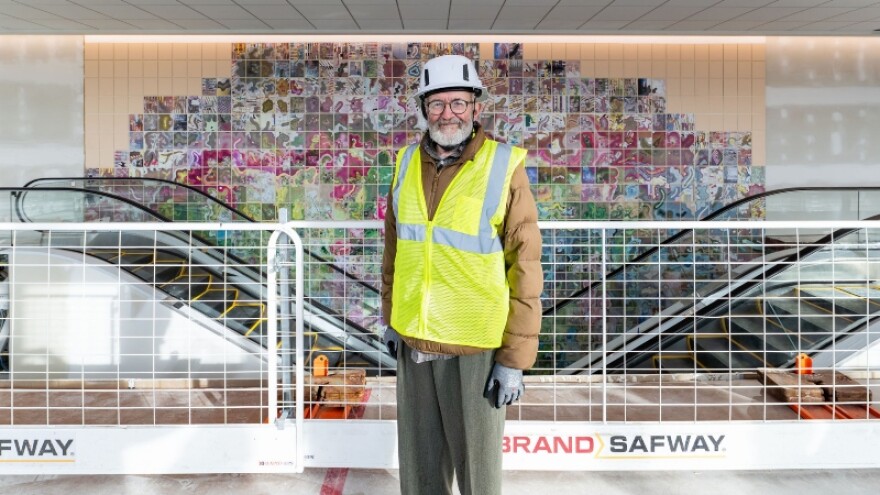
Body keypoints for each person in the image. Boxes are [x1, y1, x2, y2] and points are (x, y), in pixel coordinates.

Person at [381, 54, 544, 495]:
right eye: (436, 104)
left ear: (476, 107)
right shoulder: (404, 163)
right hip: (414, 338)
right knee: (419, 474)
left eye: (458, 102)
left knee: (479, 475)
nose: (447, 113)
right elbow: (395, 250)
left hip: (476, 346)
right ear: (423, 109)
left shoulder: (503, 166)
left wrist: (514, 360)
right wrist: (391, 316)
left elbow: (525, 267)